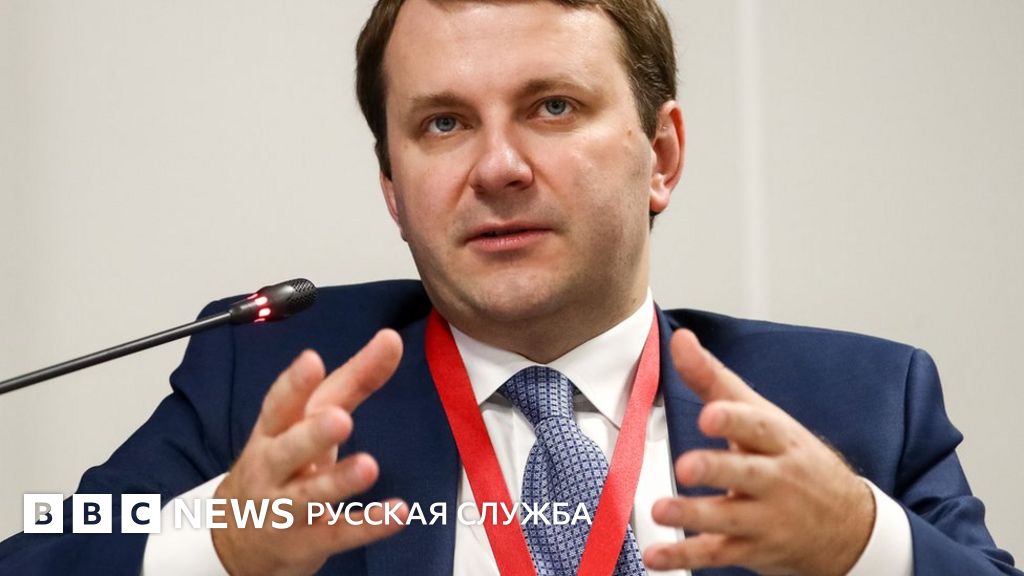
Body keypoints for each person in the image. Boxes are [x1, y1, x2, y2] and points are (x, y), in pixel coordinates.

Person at [0, 0, 1019, 574]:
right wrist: (215, 544)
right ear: (393, 190)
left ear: (662, 155)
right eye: (443, 123)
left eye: (552, 107)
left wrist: (861, 546)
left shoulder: (857, 404)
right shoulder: (269, 381)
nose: (497, 168)